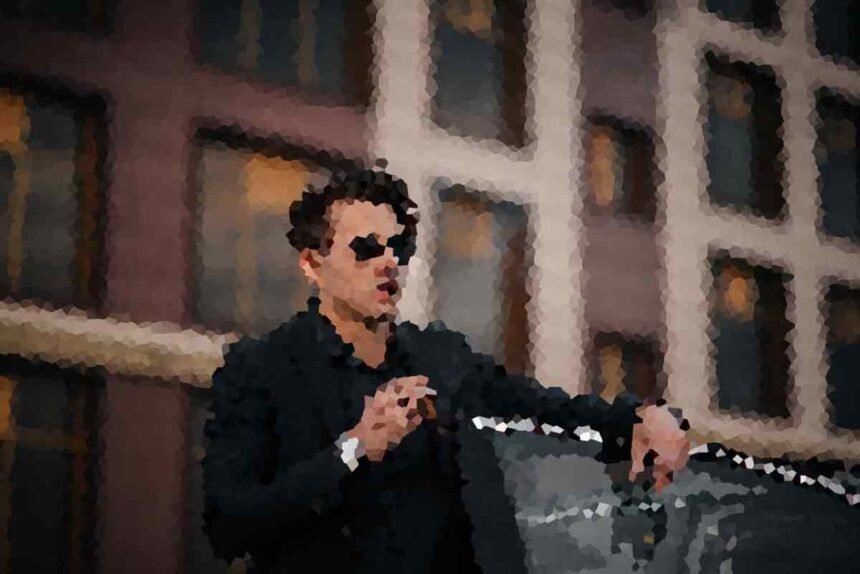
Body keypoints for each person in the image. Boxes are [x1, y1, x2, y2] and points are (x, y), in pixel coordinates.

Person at [202, 168, 689, 573]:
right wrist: (352, 449)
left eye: (399, 248)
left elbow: (550, 409)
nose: (388, 263)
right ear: (313, 264)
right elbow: (228, 525)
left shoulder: (441, 358)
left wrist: (643, 416)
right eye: (366, 248)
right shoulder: (260, 369)